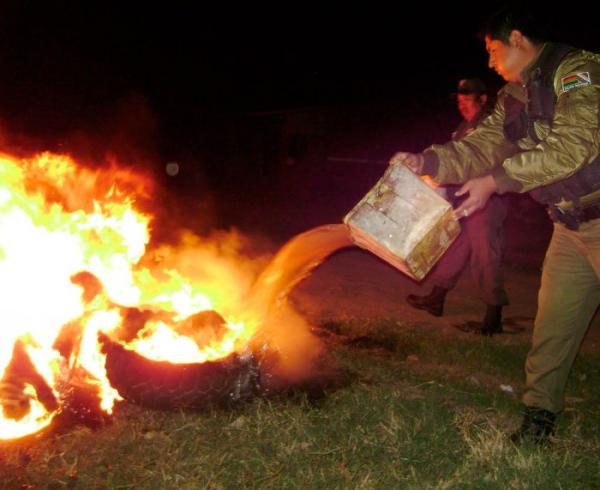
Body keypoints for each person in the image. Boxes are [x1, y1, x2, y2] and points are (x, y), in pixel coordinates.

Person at [390, 5, 600, 444]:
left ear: (519, 39)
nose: (489, 62)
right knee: (553, 328)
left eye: (493, 49)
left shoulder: (577, 71)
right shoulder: (513, 98)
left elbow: (573, 148)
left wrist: (497, 181)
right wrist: (427, 160)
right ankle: (538, 419)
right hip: (567, 227)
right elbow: (481, 148)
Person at [406, 78, 509, 336]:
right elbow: (456, 162)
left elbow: (485, 162)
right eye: (459, 101)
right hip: (463, 200)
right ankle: (437, 298)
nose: (462, 105)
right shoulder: (463, 128)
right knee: (454, 247)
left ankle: (493, 316)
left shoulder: (489, 126)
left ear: (483, 99)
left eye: (467, 100)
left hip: (487, 200)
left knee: (485, 255)